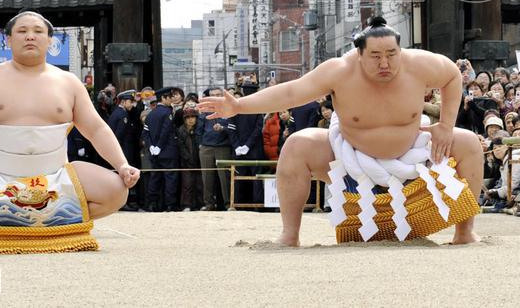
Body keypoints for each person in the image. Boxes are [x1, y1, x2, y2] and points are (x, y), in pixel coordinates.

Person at [197, 16, 482, 246]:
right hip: (349, 157)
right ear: (359, 53)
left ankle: (464, 232)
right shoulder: (339, 71)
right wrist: (240, 106)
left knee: (468, 142)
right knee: (297, 145)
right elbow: (292, 92)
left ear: (400, 50)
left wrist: (445, 125)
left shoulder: (420, 64)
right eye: (375, 56)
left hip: (413, 154)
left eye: (391, 54)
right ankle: (290, 234)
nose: (385, 63)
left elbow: (452, 77)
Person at [0, 11, 139, 255]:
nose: (30, 37)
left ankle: (47, 222)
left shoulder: (68, 82)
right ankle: (19, 224)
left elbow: (96, 128)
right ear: (7, 40)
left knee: (116, 190)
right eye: (22, 31)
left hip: (55, 175)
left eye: (38, 32)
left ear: (49, 40)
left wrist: (121, 165)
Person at [145, 87, 180, 212]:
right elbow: (165, 131)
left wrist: (151, 147)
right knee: (170, 178)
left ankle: (152, 204)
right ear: (164, 98)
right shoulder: (167, 112)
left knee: (155, 177)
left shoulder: (150, 114)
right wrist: (159, 146)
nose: (171, 100)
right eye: (170, 97)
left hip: (154, 152)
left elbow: (146, 133)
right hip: (167, 151)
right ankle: (170, 205)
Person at [198, 88, 232, 211]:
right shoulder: (204, 112)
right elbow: (198, 130)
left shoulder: (229, 109)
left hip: (223, 147)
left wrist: (223, 128)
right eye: (212, 95)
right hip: (206, 147)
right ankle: (209, 204)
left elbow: (233, 128)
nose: (215, 97)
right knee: (207, 177)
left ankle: (229, 203)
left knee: (225, 177)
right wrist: (200, 144)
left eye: (218, 95)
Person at [177, 107, 202, 210]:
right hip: (186, 162)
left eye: (193, 117)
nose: (190, 119)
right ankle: (186, 205)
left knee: (200, 184)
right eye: (188, 117)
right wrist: (187, 158)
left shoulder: (199, 129)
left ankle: (200, 204)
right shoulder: (181, 130)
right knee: (187, 184)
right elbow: (181, 147)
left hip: (199, 162)